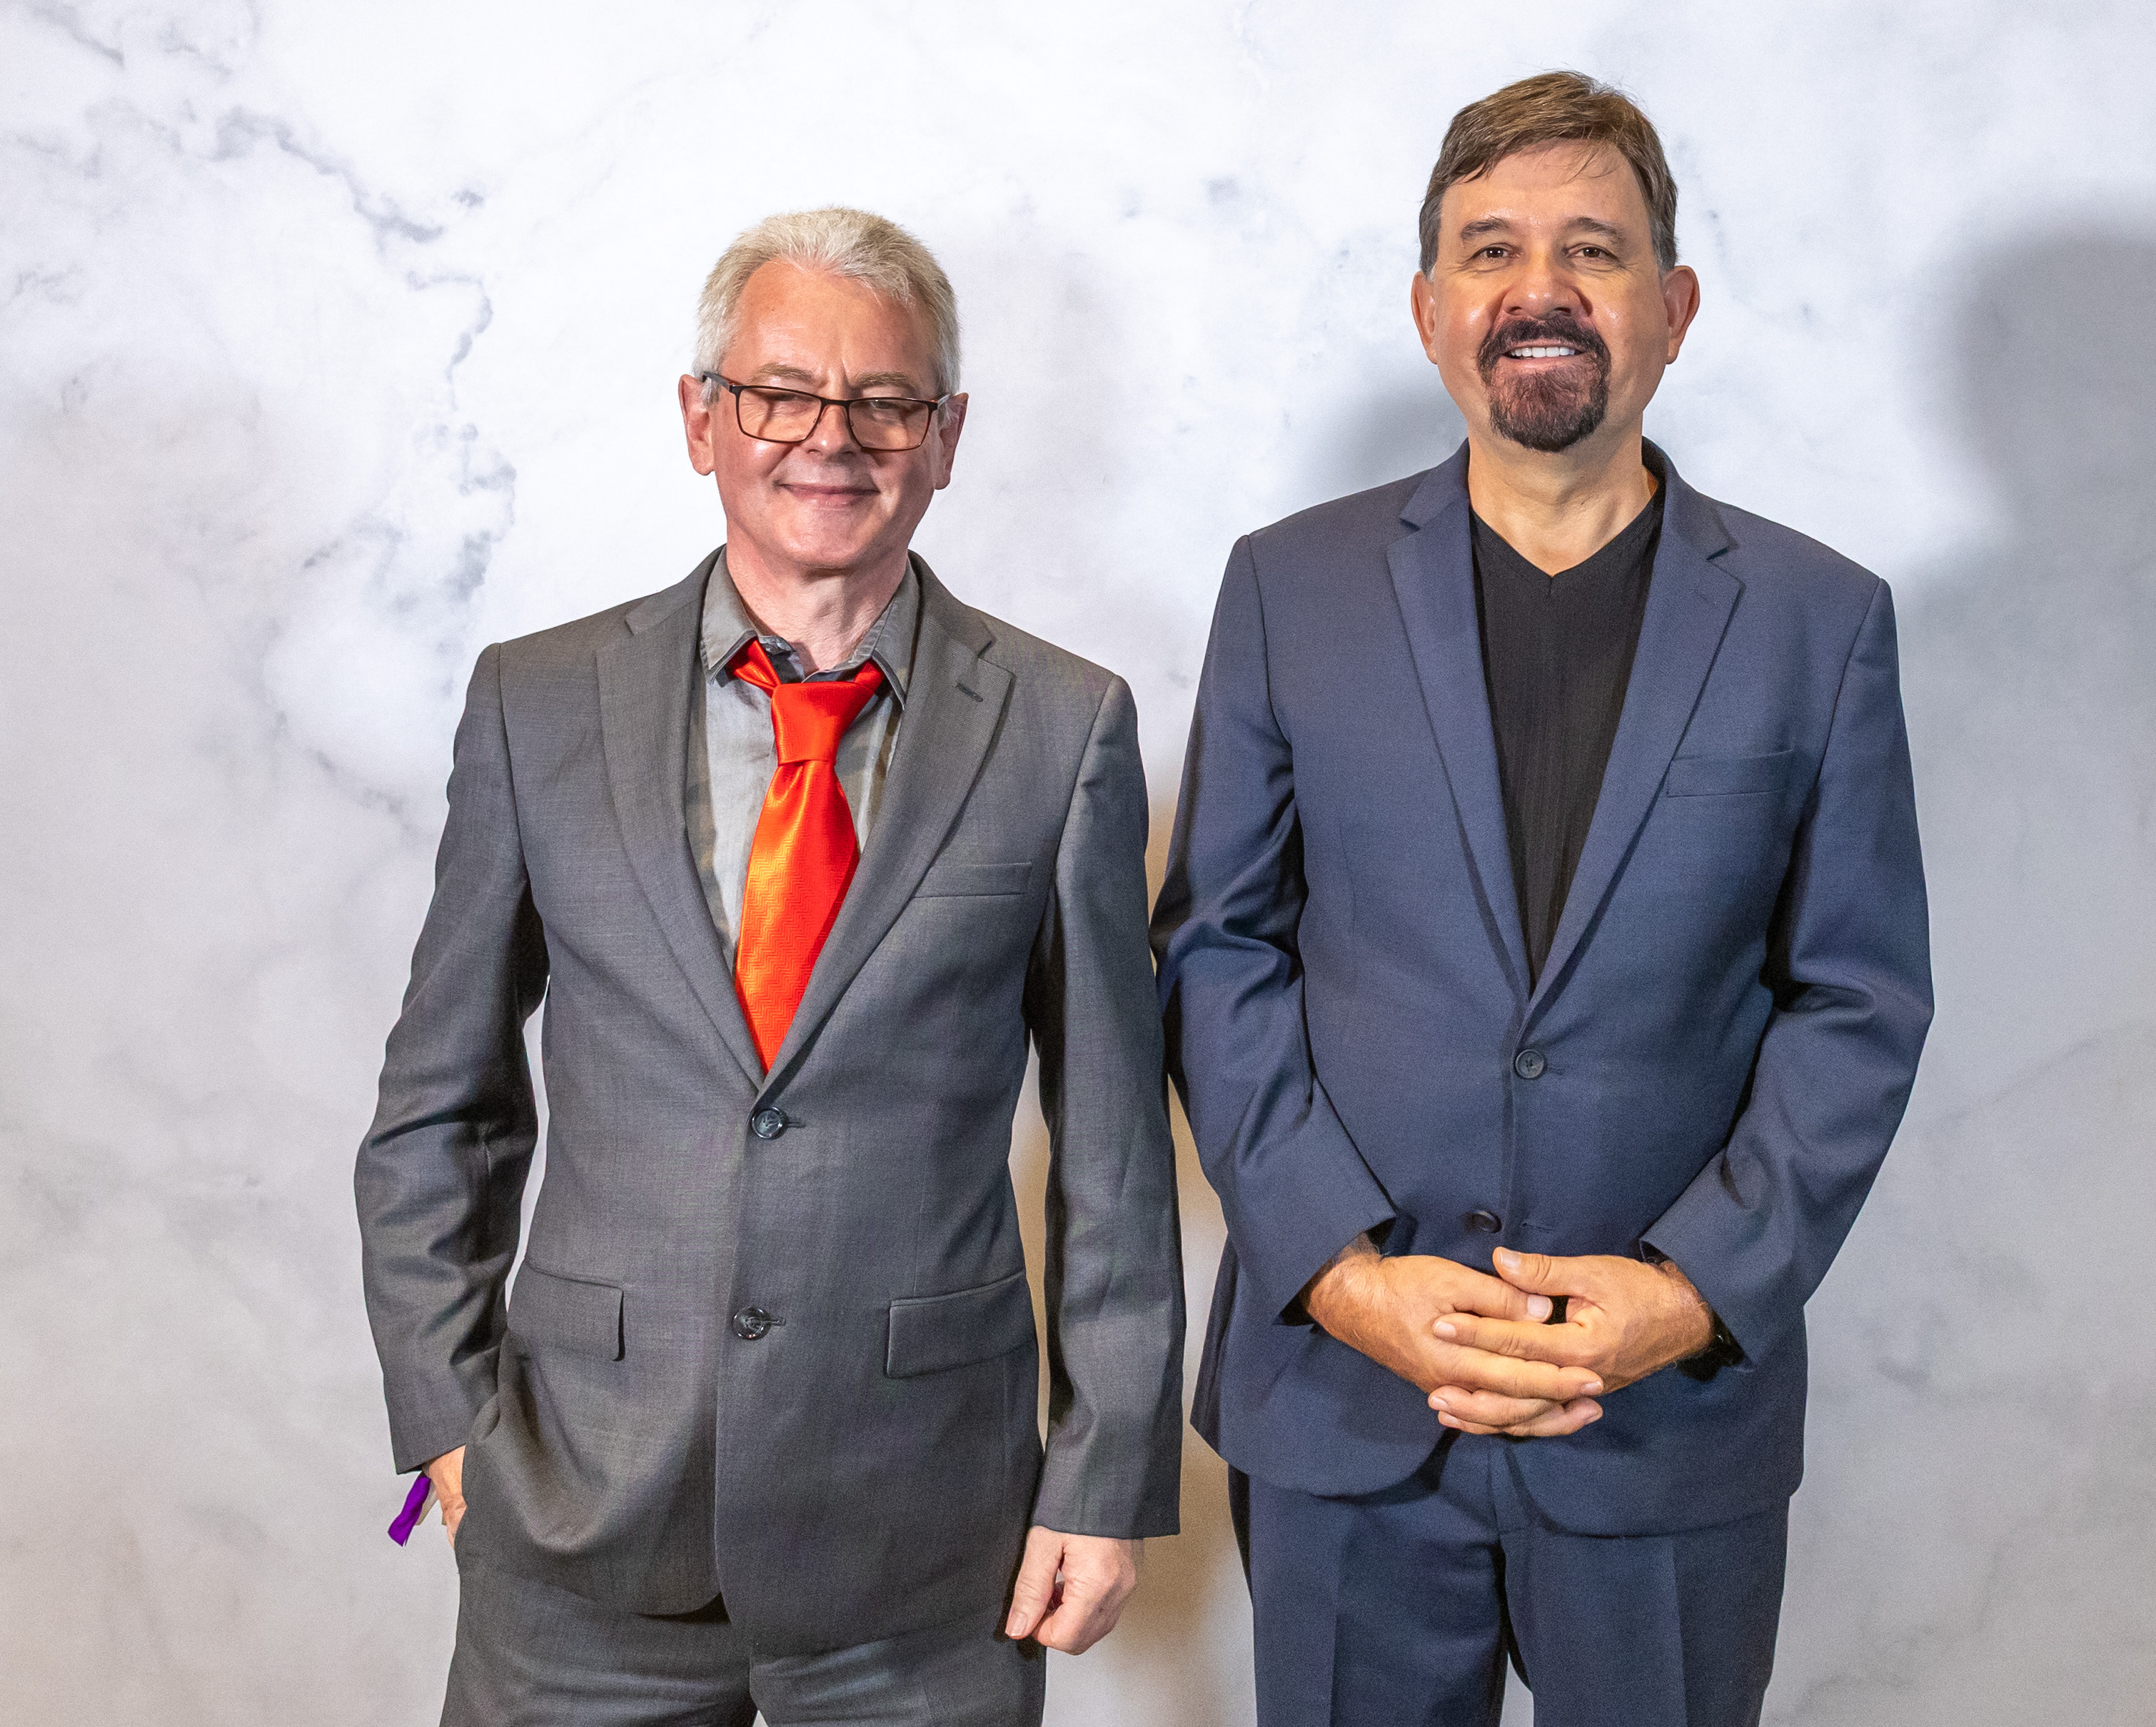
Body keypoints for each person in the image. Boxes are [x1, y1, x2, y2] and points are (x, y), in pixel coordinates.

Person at [1154, 74, 1931, 1726]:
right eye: (1492, 249)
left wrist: (1695, 1287)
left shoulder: (1817, 621)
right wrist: (1341, 1274)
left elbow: (1858, 1000)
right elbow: (1216, 950)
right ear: (1431, 309)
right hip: (1347, 1402)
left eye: (1594, 247)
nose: (1541, 288)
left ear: (1674, 306)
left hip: (1664, 1418)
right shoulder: (1288, 588)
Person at [357, 206, 1184, 1727]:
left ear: (945, 437)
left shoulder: (1065, 727)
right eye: (780, 394)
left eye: (884, 401)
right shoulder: (538, 703)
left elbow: (1116, 1152)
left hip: (927, 1545)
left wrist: (1105, 1469)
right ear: (702, 420)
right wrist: (449, 1418)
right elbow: (440, 1107)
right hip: (576, 1518)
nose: (831, 438)